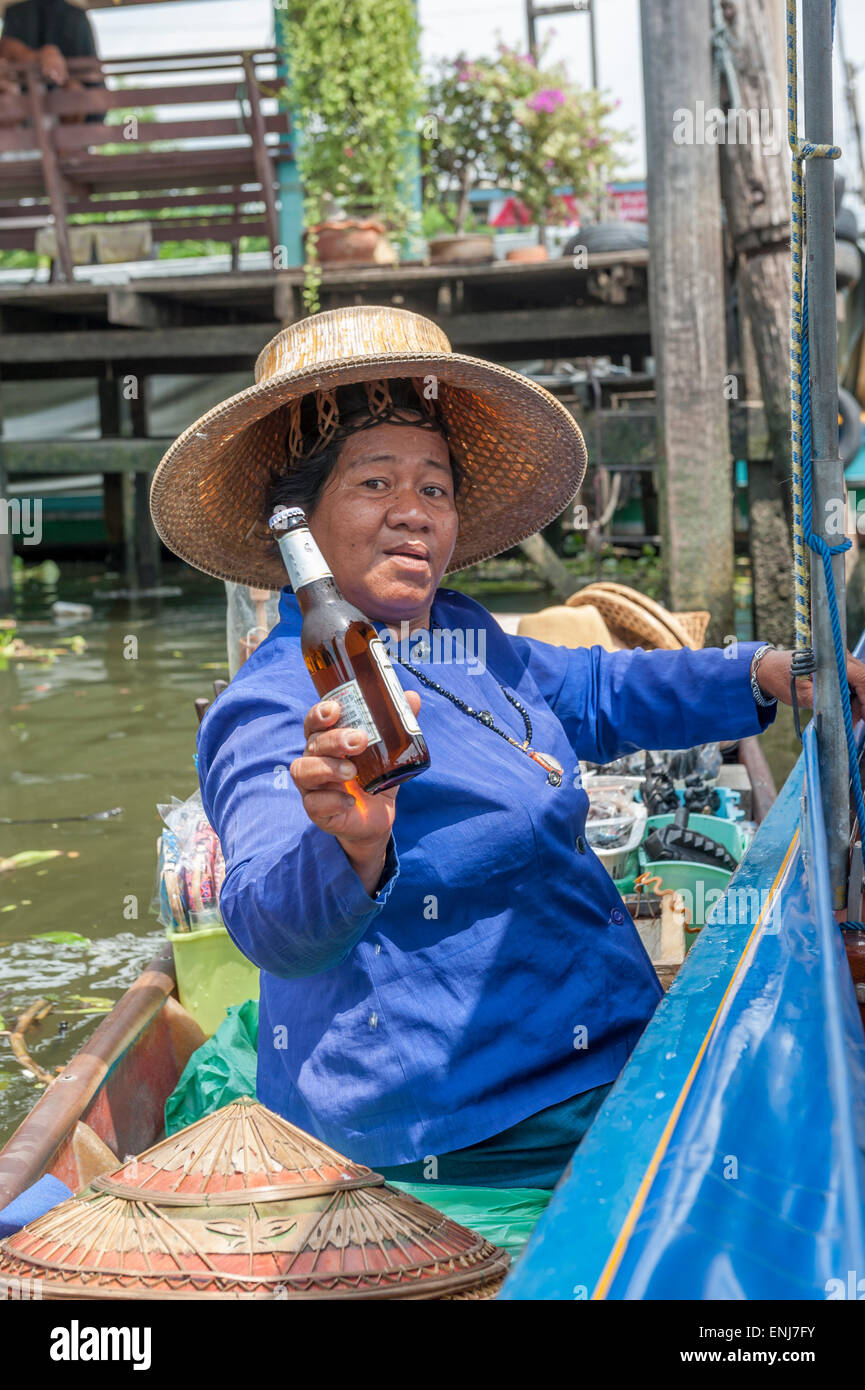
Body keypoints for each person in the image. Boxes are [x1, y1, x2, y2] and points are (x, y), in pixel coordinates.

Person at [150, 304, 865, 1190]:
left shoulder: (456, 630)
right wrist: (350, 842)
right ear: (299, 526)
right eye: (375, 484)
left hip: (593, 1041)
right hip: (472, 1113)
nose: (413, 513)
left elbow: (595, 691)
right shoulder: (274, 703)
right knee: (804, 1162)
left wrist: (761, 672)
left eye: (436, 488)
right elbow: (268, 923)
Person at [0, 0, 104, 122]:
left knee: (73, 92)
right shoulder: (16, 14)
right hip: (26, 107)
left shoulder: (76, 17)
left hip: (62, 111)